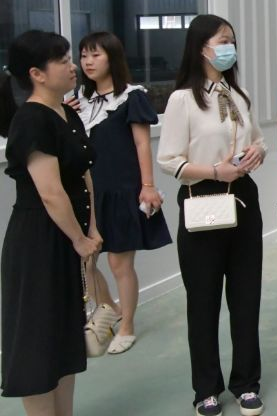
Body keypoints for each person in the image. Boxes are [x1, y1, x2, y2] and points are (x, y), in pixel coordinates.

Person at [158, 15, 267, 416]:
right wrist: (214, 171)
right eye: (223, 41)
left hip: (243, 199)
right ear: (201, 47)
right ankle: (206, 388)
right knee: (203, 302)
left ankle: (247, 383)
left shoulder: (239, 94)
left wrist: (258, 152)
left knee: (246, 298)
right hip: (202, 199)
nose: (229, 48)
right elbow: (169, 160)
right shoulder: (182, 100)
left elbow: (257, 139)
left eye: (232, 41)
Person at [0, 30, 101, 415]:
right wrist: (79, 238)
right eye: (62, 60)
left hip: (70, 237)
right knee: (38, 345)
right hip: (39, 243)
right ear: (36, 74)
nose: (73, 66)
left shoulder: (67, 112)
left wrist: (92, 228)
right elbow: (50, 192)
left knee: (64, 341)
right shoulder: (30, 119)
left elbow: (84, 174)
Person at [76, 31, 172, 355]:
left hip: (122, 190)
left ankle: (127, 325)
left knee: (119, 263)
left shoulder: (131, 96)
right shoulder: (80, 100)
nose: (88, 61)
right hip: (90, 194)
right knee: (86, 262)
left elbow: (142, 143)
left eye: (95, 55)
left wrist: (147, 186)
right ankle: (113, 310)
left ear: (112, 58)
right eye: (84, 55)